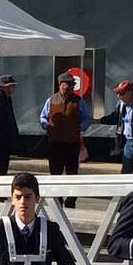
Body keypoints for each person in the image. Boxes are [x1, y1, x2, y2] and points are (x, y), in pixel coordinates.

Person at [40, 73, 91, 206]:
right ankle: (57, 199)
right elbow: (43, 117)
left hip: (71, 143)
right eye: (68, 84)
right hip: (55, 143)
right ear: (60, 85)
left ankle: (71, 200)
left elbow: (87, 118)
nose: (70, 87)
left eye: (72, 85)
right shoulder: (51, 100)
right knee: (55, 173)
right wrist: (47, 125)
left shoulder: (78, 101)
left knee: (72, 174)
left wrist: (79, 128)